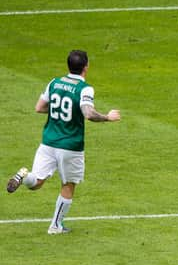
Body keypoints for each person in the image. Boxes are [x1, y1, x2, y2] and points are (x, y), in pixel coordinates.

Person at [6, 50, 121, 235]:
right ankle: (56, 226)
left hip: (48, 142)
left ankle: (23, 175)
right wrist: (108, 117)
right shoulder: (85, 89)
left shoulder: (54, 82)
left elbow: (39, 107)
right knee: (68, 184)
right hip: (70, 146)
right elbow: (88, 113)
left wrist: (57, 113)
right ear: (86, 67)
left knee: (36, 182)